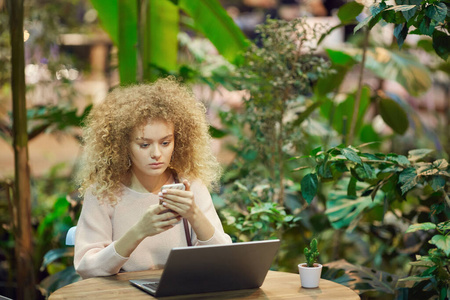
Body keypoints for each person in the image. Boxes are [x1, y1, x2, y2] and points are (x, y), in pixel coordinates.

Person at [74, 77, 232, 279]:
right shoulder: (104, 192)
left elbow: (224, 259)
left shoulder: (189, 185)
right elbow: (87, 267)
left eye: (165, 142)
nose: (157, 154)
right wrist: (139, 231)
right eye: (144, 145)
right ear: (123, 146)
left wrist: (194, 214)